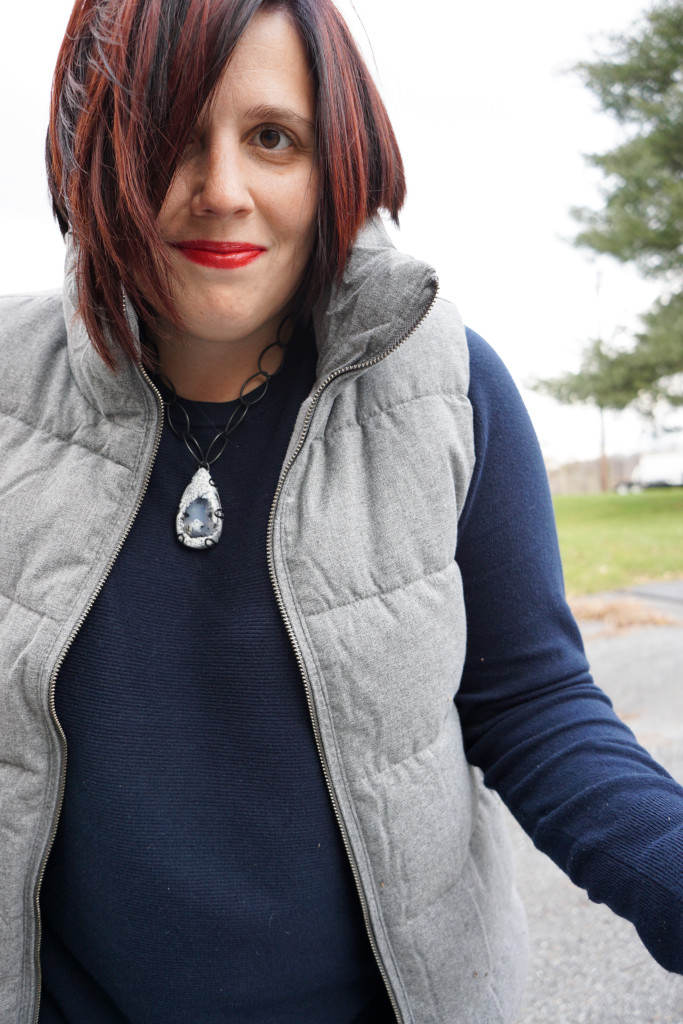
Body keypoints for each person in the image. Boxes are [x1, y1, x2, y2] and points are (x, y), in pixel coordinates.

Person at [1, 0, 682, 1022]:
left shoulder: (447, 385)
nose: (222, 190)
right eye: (169, 138)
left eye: (272, 139)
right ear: (92, 152)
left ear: (338, 165)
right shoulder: (9, 391)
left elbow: (534, 709)